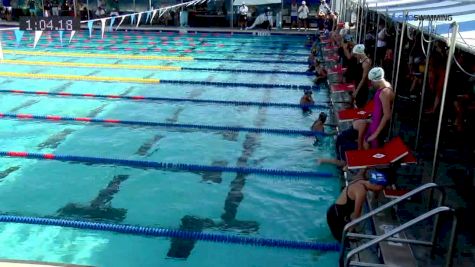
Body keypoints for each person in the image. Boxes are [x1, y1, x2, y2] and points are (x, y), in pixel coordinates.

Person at [327, 170, 388, 241]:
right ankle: (319, 251)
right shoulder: (361, 192)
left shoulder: (361, 180)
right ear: (377, 185)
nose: (382, 190)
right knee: (344, 242)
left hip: (335, 211)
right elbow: (356, 214)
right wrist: (351, 229)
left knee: (337, 236)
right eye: (382, 187)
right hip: (335, 217)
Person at [364, 67, 395, 149]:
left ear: (376, 80)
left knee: (374, 149)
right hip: (375, 121)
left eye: (372, 81)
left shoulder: (385, 92)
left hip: (377, 126)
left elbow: (387, 115)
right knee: (366, 141)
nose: (371, 83)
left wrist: (376, 133)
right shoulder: (387, 85)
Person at [351, 44, 372, 108]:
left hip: (362, 88)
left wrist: (356, 91)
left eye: (356, 55)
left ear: (359, 53)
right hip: (358, 85)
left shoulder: (366, 63)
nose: (355, 56)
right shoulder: (361, 60)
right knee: (357, 105)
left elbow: (363, 79)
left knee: (360, 106)